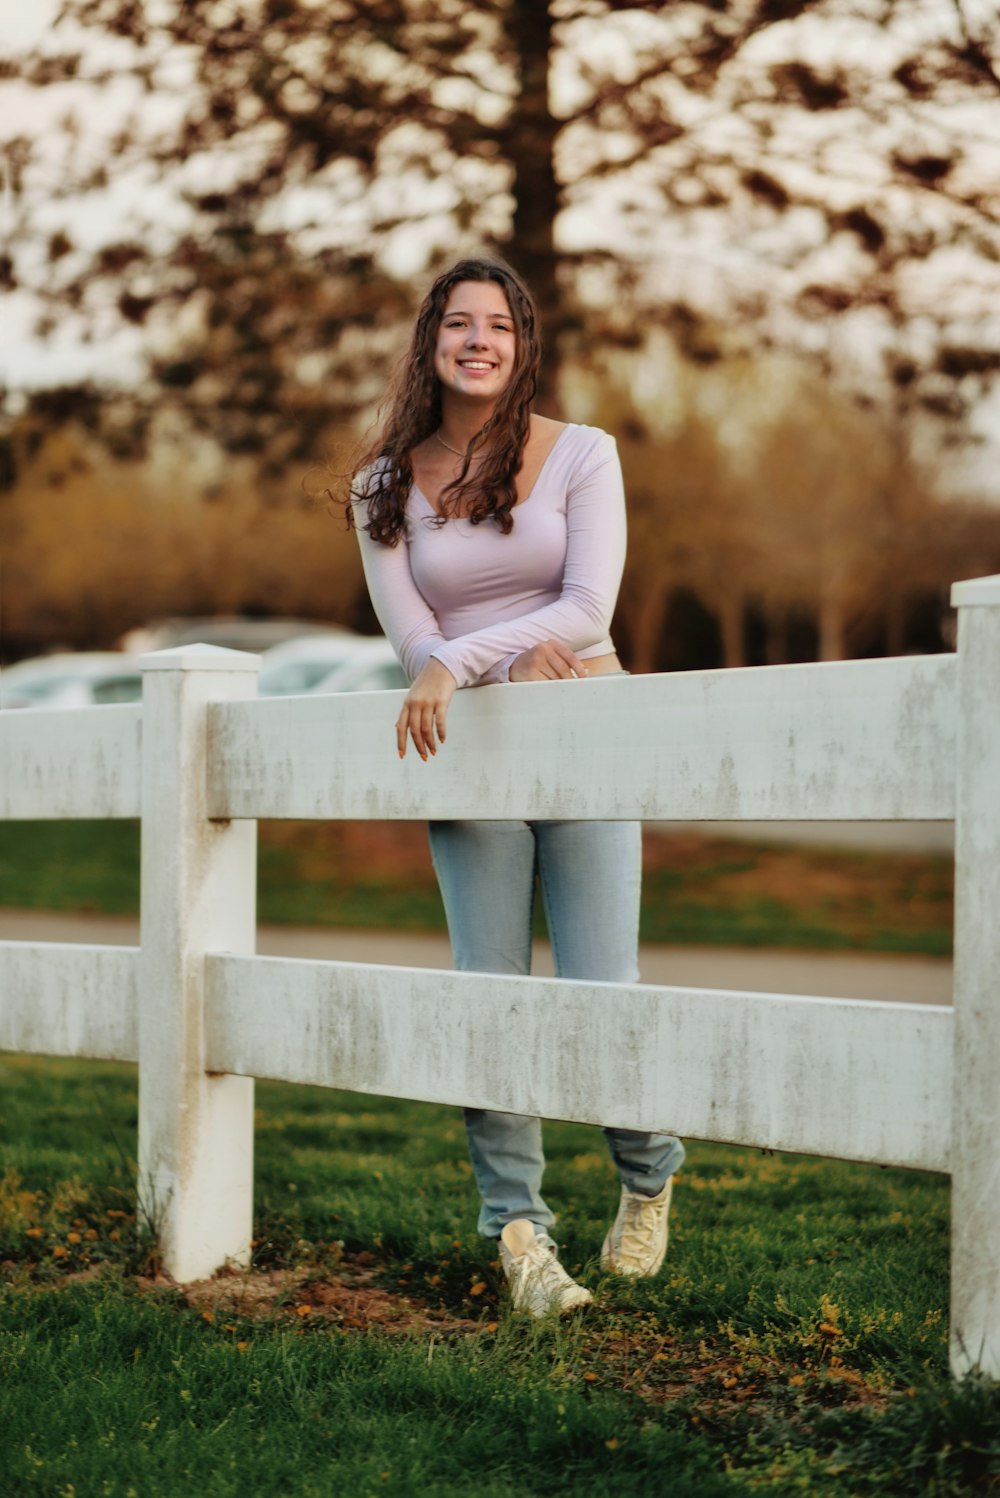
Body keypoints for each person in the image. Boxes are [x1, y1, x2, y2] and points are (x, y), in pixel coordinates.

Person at [350, 255, 684, 1317]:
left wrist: (466, 654)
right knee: (486, 993)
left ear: (522, 343)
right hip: (473, 750)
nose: (479, 340)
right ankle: (519, 1233)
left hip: (587, 730)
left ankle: (648, 1170)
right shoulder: (382, 487)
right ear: (432, 344)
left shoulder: (583, 454)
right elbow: (414, 636)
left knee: (600, 994)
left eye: (498, 324)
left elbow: (587, 610)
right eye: (459, 323)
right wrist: (478, 663)